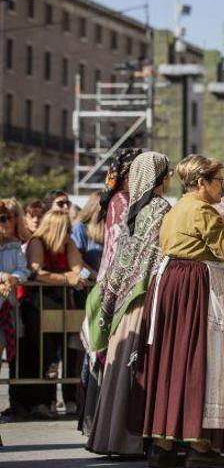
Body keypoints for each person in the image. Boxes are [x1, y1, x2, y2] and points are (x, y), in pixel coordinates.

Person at [136, 154, 224, 468]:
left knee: (173, 362)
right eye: (218, 181)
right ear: (202, 183)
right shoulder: (202, 210)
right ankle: (198, 446)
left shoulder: (176, 209)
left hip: (172, 285)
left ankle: (163, 443)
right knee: (200, 362)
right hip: (195, 288)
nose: (221, 187)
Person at [81, 151, 172, 455]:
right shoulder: (159, 208)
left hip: (124, 298)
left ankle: (112, 435)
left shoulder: (133, 209)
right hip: (146, 298)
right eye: (167, 173)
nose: (170, 179)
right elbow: (160, 255)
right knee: (139, 367)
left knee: (121, 368)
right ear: (159, 177)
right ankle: (133, 438)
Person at [25, 210, 89, 418]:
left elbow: (78, 269)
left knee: (69, 349)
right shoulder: (38, 242)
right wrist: (65, 278)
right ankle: (43, 401)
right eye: (66, 228)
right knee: (46, 353)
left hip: (64, 303)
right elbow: (36, 272)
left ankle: (69, 398)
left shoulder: (68, 243)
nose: (69, 232)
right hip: (40, 304)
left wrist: (68, 276)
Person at [95, 148, 143, 282]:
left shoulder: (126, 199)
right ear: (127, 176)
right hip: (119, 282)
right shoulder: (122, 201)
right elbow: (119, 247)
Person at [0, 202, 29, 403]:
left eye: (7, 218)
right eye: (1, 218)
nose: (5, 222)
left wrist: (14, 278)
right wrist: (2, 276)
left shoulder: (14, 245)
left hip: (6, 309)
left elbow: (24, 269)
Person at [71, 192, 105, 273]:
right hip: (88, 282)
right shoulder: (80, 228)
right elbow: (76, 263)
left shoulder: (111, 229)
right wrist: (93, 278)